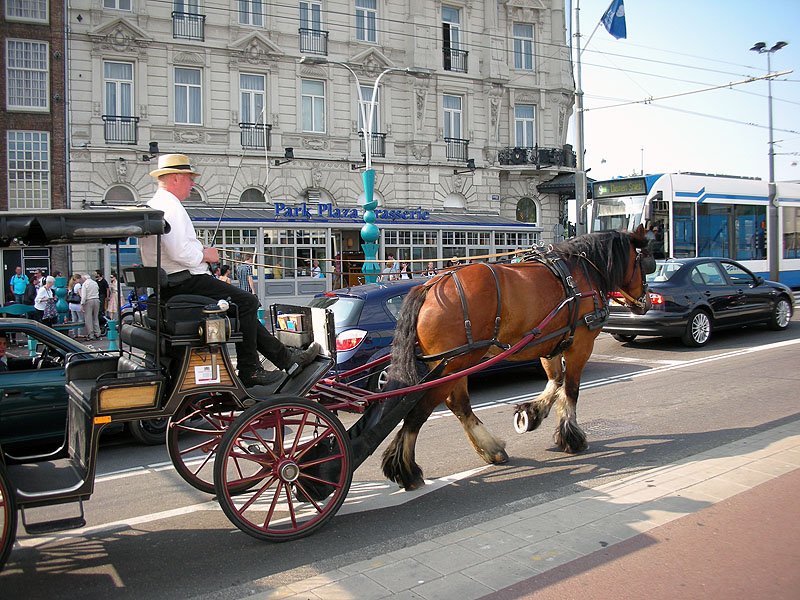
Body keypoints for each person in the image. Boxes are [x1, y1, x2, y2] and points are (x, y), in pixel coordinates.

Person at [139, 153, 319, 387]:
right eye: (189, 178)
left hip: (171, 284)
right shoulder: (171, 208)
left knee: (242, 309)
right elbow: (181, 253)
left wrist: (200, 251)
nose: (192, 184)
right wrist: (206, 254)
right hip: (184, 281)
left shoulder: (156, 205)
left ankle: (287, 359)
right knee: (248, 302)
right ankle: (250, 369)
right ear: (175, 178)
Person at [81, 274, 101, 340]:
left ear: (84, 278)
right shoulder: (95, 283)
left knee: (88, 318)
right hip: (96, 300)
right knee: (95, 317)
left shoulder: (85, 284)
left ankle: (91, 334)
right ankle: (98, 333)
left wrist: (82, 304)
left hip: (89, 300)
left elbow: (84, 296)